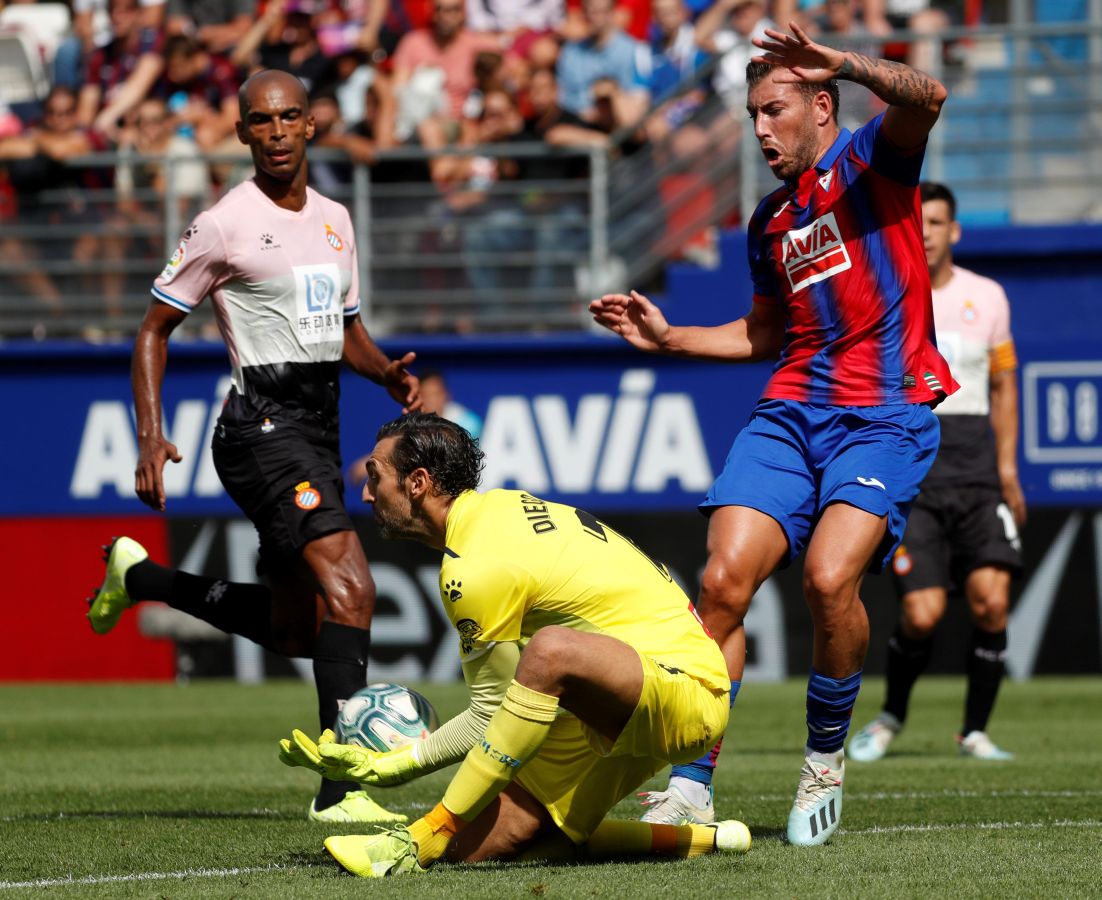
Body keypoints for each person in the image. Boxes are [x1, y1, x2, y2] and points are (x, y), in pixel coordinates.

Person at [590, 22, 958, 845]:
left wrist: (850, 63)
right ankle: (689, 783)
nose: (760, 130)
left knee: (830, 582)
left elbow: (928, 97)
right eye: (753, 113)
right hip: (790, 415)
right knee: (721, 583)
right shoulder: (768, 223)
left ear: (822, 106)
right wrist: (671, 338)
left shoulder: (872, 161)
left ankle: (823, 759)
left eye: (776, 110)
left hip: (885, 414)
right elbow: (766, 333)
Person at [85, 69, 421, 825]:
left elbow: (348, 334)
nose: (275, 132)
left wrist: (387, 371)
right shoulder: (223, 224)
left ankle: (144, 580)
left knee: (299, 629)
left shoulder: (336, 218)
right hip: (260, 429)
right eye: (260, 121)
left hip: (319, 429)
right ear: (241, 132)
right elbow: (152, 329)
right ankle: (343, 791)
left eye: (289, 117)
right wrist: (149, 434)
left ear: (311, 126)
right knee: (355, 589)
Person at [278, 412, 750, 876]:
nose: (365, 493)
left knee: (548, 651)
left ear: (417, 482)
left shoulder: (474, 566)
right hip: (610, 699)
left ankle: (427, 832)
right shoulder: (495, 512)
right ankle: (703, 839)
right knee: (495, 847)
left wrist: (393, 767)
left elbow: (491, 711)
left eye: (375, 477)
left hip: (686, 692)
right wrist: (390, 766)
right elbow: (501, 711)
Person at [849, 182, 1024, 764]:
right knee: (922, 613)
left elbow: (1004, 386)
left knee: (991, 604)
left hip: (976, 471)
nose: (925, 231)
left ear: (955, 231)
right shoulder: (884, 294)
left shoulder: (989, 298)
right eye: (917, 220)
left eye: (938, 222)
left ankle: (974, 731)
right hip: (912, 469)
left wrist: (1007, 470)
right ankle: (891, 716)